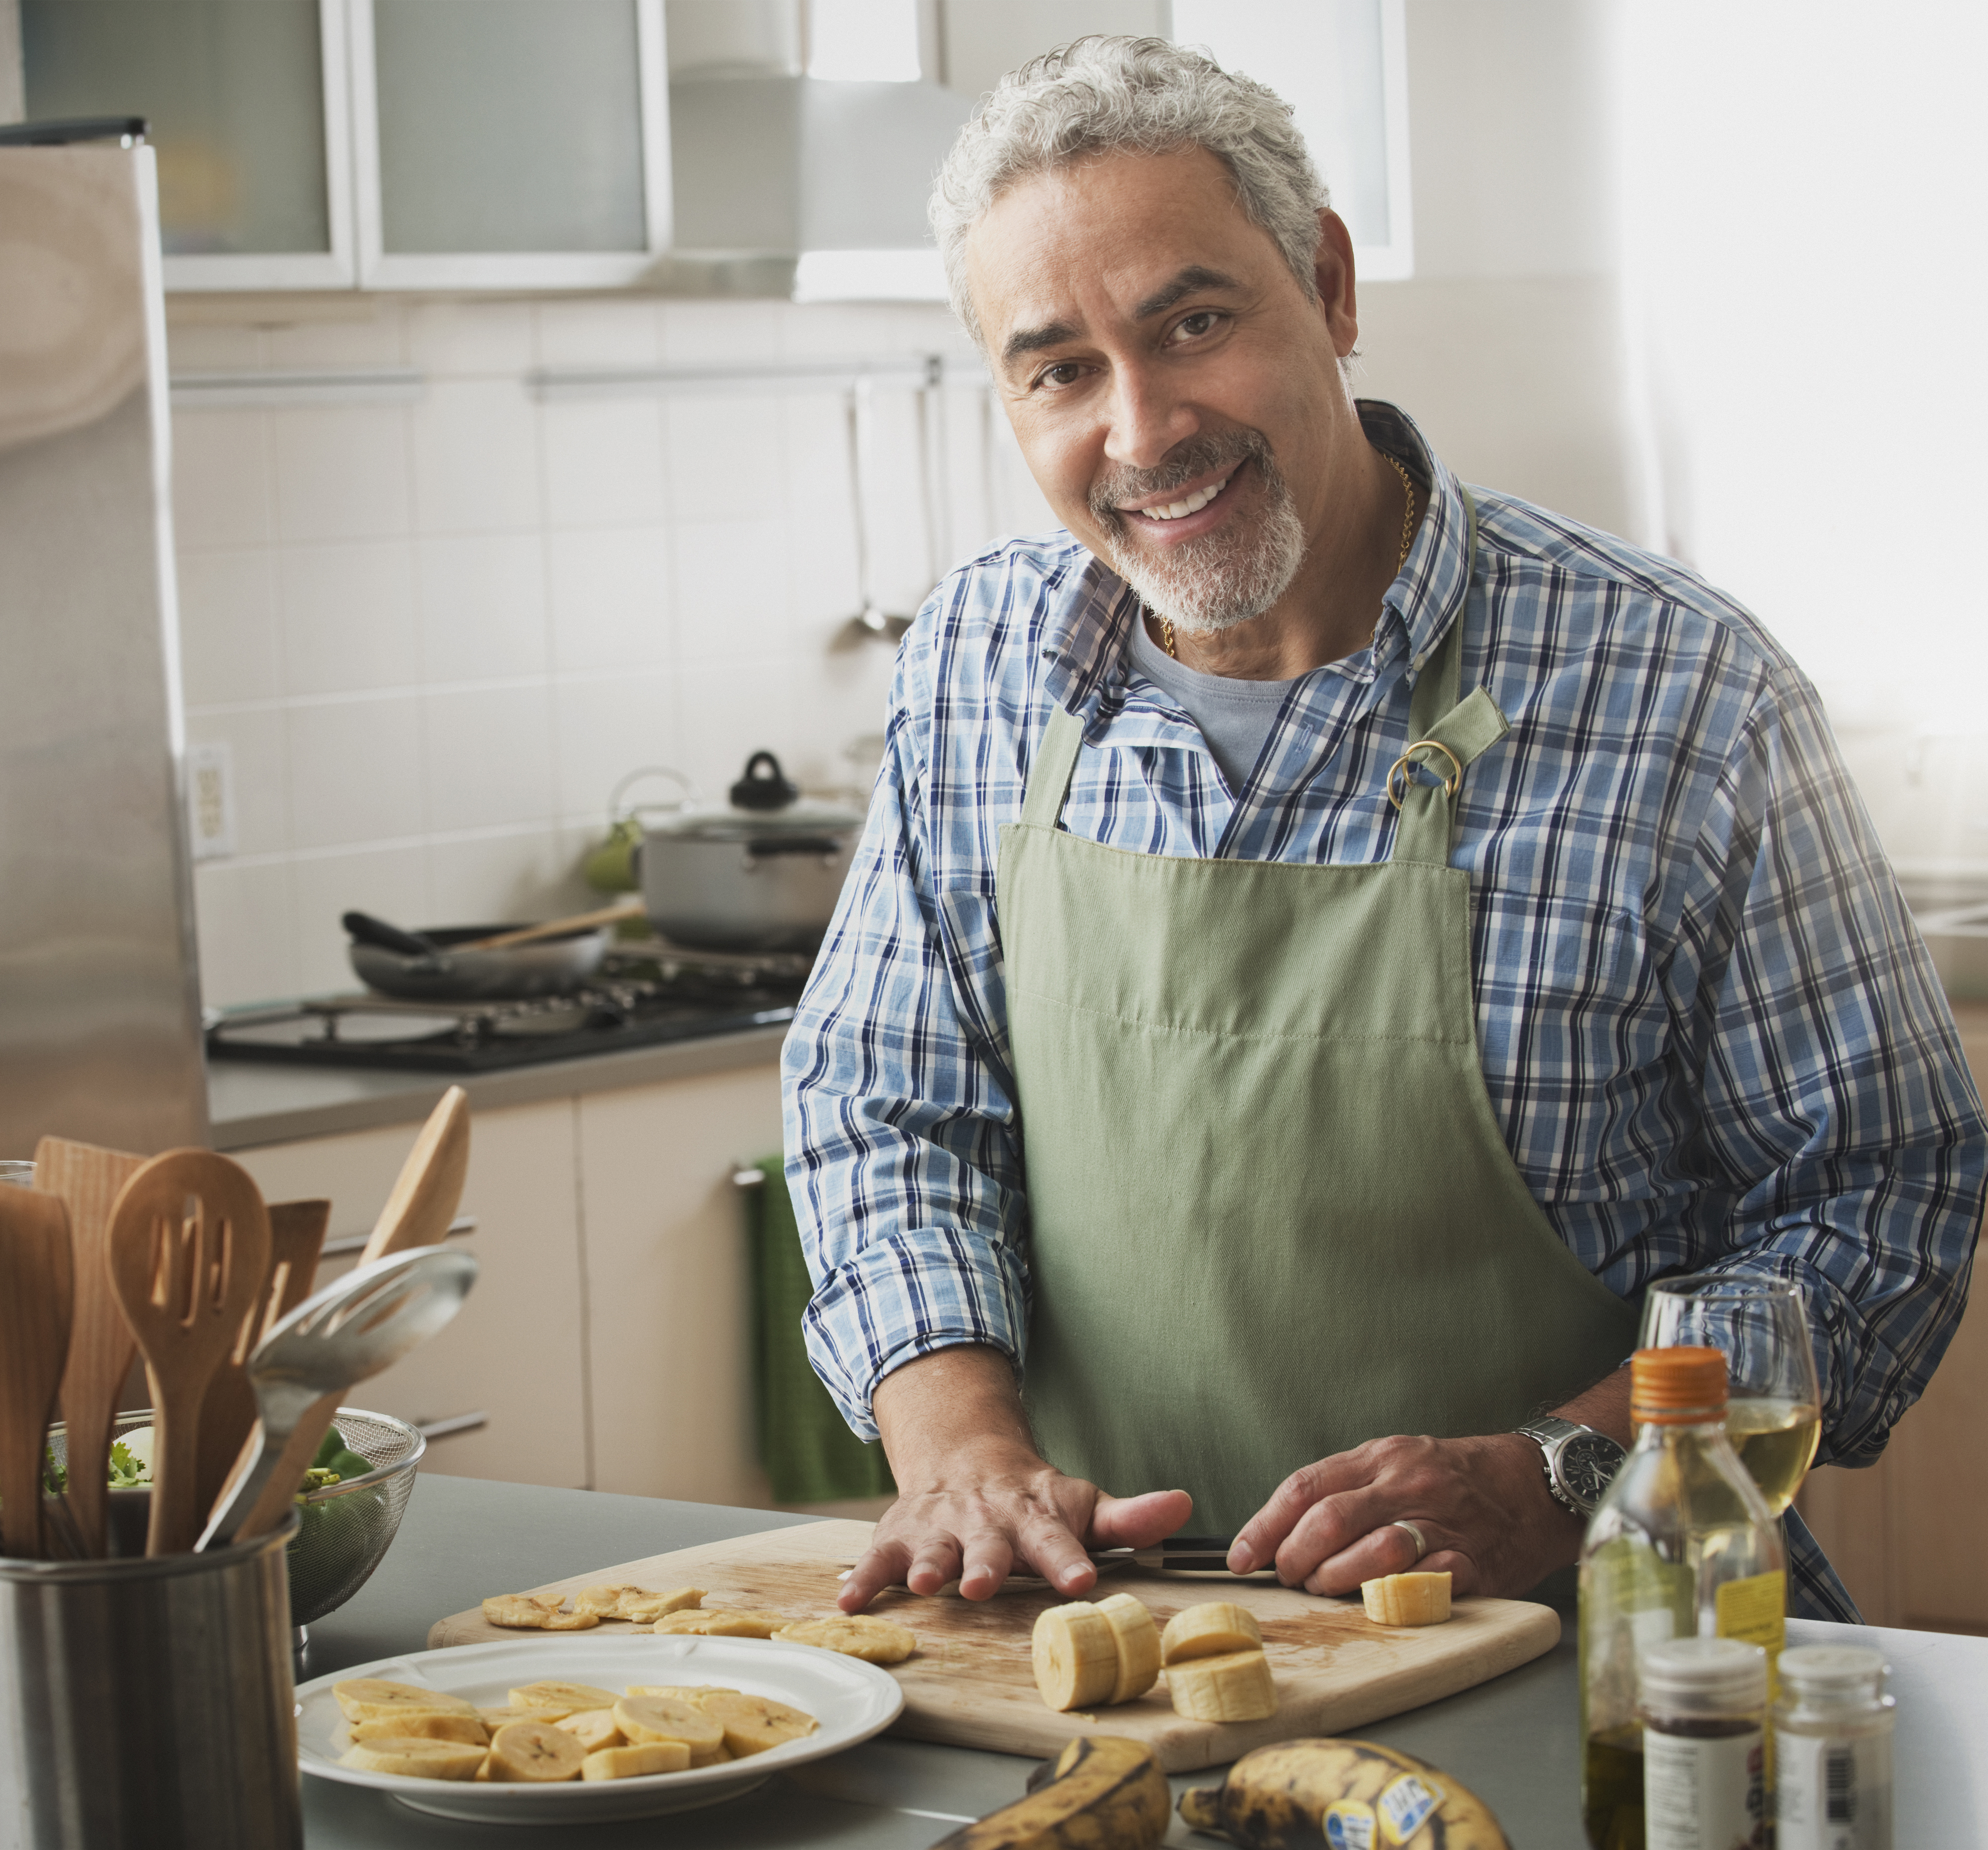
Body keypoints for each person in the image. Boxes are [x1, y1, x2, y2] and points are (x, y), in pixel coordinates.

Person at [782, 36, 1985, 1623]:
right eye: (1059, 367)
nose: (1141, 430)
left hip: (1609, 1652)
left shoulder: (1683, 689)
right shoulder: (977, 665)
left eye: (1192, 324)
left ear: (1330, 288)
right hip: (1113, 1647)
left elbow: (1878, 1193)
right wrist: (960, 1452)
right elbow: (885, 1106)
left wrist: (1566, 1471)